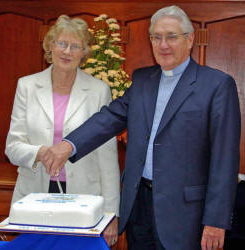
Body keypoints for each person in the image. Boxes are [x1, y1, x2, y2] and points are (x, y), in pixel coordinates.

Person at [41, 6, 241, 250]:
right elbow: (109, 117)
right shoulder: (143, 80)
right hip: (139, 207)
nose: (163, 44)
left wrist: (216, 222)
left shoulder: (217, 85)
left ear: (190, 40)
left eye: (171, 36)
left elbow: (225, 160)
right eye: (156, 37)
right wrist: (68, 145)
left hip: (186, 216)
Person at [5, 15, 120, 247]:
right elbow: (12, 148)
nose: (67, 51)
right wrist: (43, 152)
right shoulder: (26, 86)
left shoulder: (99, 90)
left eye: (75, 46)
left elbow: (107, 159)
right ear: (50, 46)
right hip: (34, 194)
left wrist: (111, 214)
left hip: (84, 200)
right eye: (61, 43)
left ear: (84, 52)